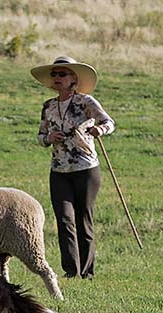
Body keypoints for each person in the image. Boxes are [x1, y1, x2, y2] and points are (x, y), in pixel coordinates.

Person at [30, 56, 115, 279]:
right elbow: (40, 137)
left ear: (73, 79)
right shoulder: (48, 106)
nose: (57, 78)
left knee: (83, 218)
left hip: (85, 168)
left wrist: (100, 130)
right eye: (54, 74)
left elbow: (109, 123)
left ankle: (87, 272)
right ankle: (71, 271)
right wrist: (49, 137)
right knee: (64, 219)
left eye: (62, 74)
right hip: (58, 170)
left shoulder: (86, 102)